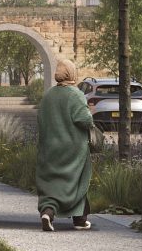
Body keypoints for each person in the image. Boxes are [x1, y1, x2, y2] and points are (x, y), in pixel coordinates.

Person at [34, 58, 96, 231]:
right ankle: (80, 219)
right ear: (72, 73)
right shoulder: (75, 94)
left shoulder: (48, 95)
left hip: (49, 147)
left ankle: (48, 212)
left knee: (51, 182)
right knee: (78, 181)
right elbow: (84, 119)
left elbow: (40, 119)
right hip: (73, 148)